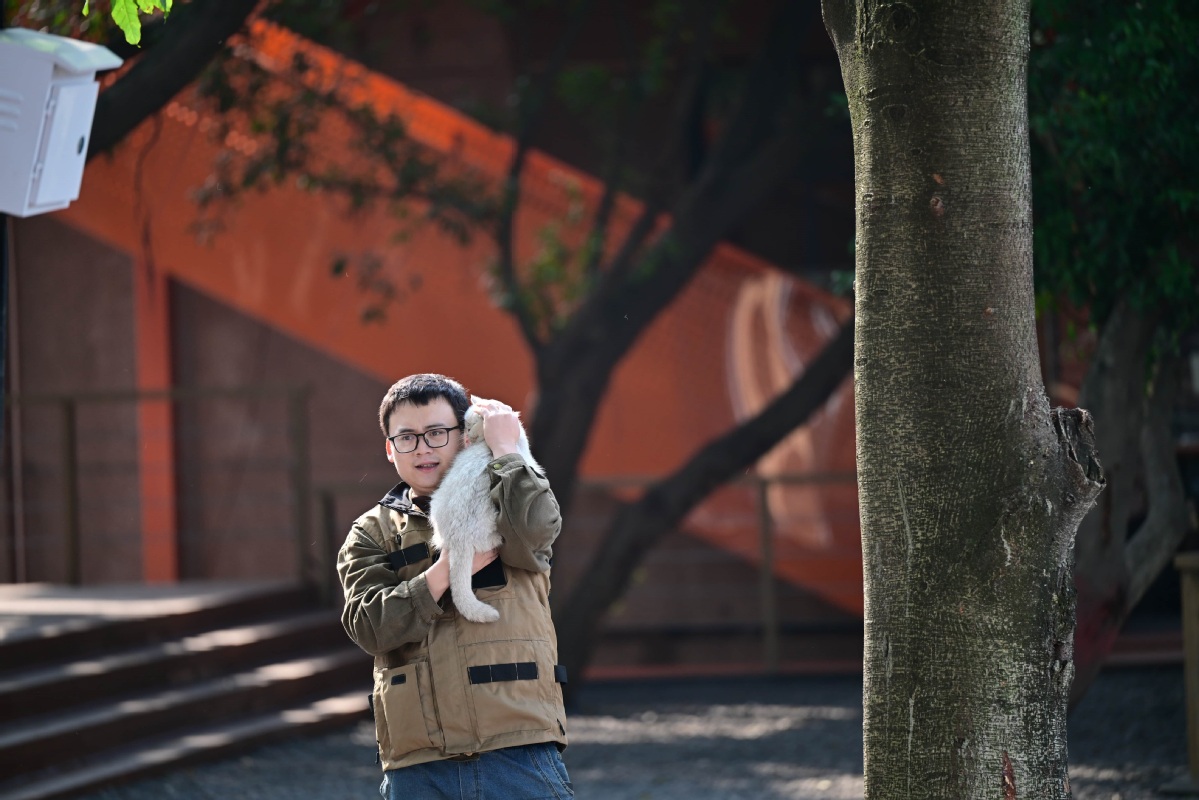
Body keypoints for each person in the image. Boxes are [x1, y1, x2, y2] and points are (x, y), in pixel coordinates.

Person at [337, 373, 573, 800]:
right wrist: (447, 570)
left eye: (436, 432)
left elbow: (539, 529)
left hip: (516, 748)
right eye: (406, 437)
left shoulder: (505, 493)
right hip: (418, 763)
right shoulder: (372, 532)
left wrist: (506, 449)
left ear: (464, 435)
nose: (422, 448)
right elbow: (369, 627)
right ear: (389, 449)